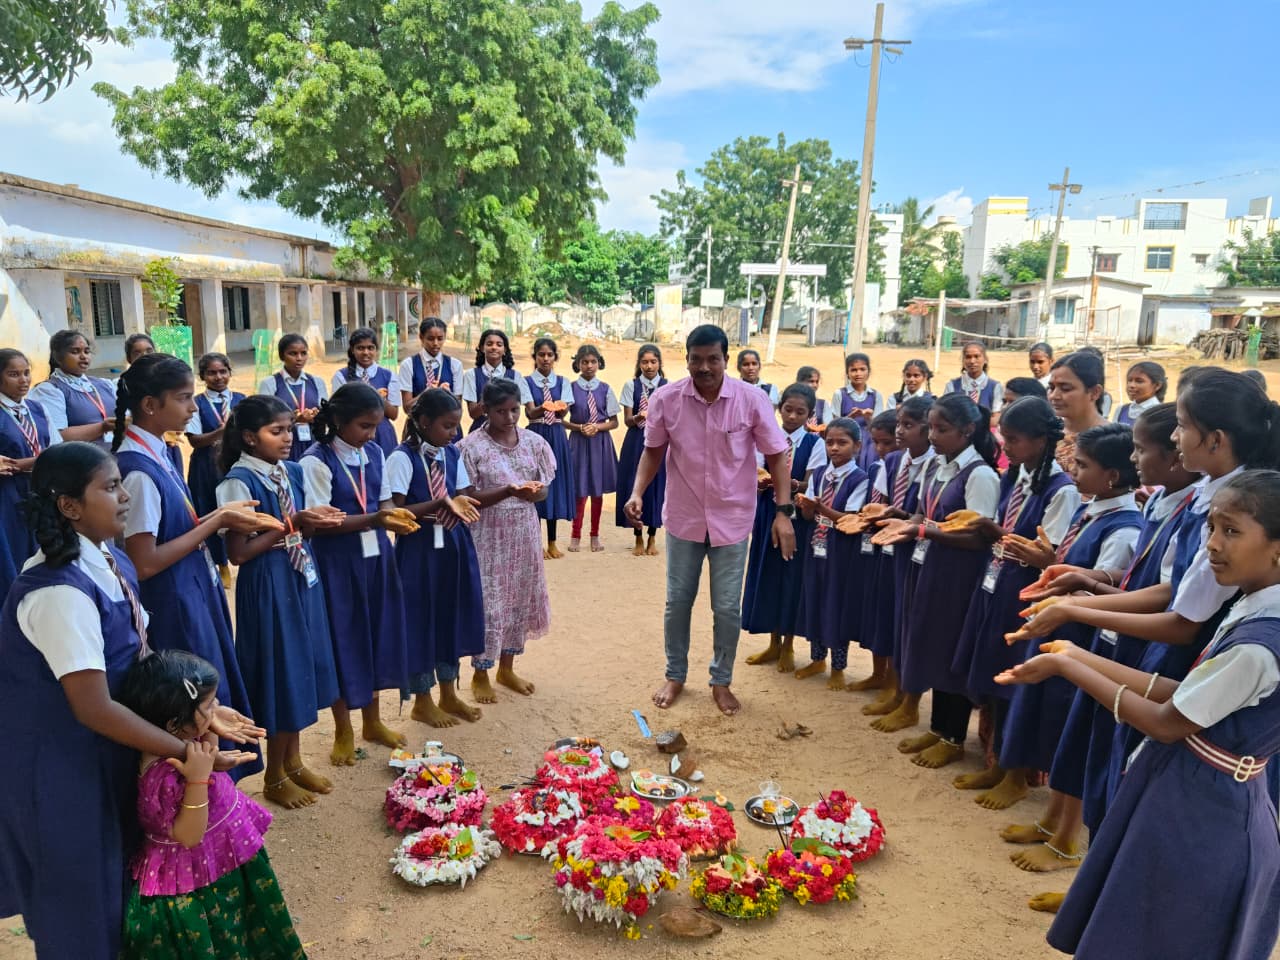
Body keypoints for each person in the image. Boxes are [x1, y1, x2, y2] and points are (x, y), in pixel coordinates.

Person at [998, 471, 1280, 960]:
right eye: (1212, 527)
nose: (1212, 544)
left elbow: (1168, 720)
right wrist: (1079, 656)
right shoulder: (1253, 605)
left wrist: (1068, 665)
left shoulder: (1260, 646)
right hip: (1192, 791)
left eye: (1231, 531)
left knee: (1166, 933)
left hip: (1205, 812)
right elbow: (1190, 694)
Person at [0, 442, 258, 960]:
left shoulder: (107, 558)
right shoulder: (57, 592)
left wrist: (198, 710)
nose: (123, 497)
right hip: (62, 769)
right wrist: (188, 756)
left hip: (106, 752)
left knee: (122, 891)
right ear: (69, 506)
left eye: (120, 483)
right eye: (110, 487)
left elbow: (134, 660)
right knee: (81, 908)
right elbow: (93, 706)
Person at [114, 353, 278, 778]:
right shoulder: (137, 472)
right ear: (151, 405)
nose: (192, 408)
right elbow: (144, 561)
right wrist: (218, 522)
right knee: (191, 706)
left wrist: (216, 519)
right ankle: (198, 803)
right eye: (185, 398)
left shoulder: (160, 453)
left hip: (192, 589)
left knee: (210, 695)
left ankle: (217, 802)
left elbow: (172, 530)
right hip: (172, 602)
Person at [626, 325, 794, 717]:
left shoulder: (752, 401)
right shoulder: (666, 400)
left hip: (733, 521)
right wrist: (636, 492)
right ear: (686, 359)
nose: (704, 367)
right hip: (684, 519)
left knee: (727, 608)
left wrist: (783, 513)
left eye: (712, 359)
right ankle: (675, 674)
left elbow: (776, 456)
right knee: (677, 603)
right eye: (696, 359)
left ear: (725, 360)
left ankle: (721, 680)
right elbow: (653, 452)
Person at [999, 424, 1143, 875]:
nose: (1073, 471)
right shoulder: (1095, 511)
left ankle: (1067, 839)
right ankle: (1049, 822)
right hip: (1062, 630)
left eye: (1083, 465)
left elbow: (1110, 593)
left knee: (1075, 734)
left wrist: (1070, 589)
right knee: (1061, 734)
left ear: (1112, 476)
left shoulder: (1124, 528)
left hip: (1086, 642)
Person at [117, 650, 307, 960]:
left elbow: (209, 753)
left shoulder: (183, 743)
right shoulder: (164, 775)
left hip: (221, 862)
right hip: (197, 883)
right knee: (225, 941)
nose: (216, 709)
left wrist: (208, 726)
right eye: (209, 706)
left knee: (246, 932)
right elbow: (190, 835)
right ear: (175, 724)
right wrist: (197, 780)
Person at [948, 397, 1077, 807]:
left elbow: (1050, 557)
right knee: (991, 672)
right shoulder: (1016, 478)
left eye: (1016, 441)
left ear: (1042, 440)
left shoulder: (1061, 491)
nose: (1007, 449)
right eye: (1006, 439)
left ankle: (1017, 774)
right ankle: (998, 764)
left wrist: (990, 529)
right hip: (996, 586)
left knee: (1015, 682)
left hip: (1025, 595)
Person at [217, 396, 343, 808]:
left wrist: (312, 521)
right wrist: (294, 524)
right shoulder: (239, 481)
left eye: (290, 428)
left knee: (302, 667)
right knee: (279, 673)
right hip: (267, 583)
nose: (287, 438)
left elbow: (299, 526)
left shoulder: (288, 471)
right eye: (277, 431)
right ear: (250, 437)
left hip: (300, 574)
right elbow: (239, 553)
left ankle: (294, 761)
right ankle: (273, 775)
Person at [872, 394, 1002, 767]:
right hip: (926, 564)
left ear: (968, 430)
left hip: (958, 574)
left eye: (942, 430)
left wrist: (923, 532)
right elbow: (921, 513)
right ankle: (936, 727)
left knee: (950, 650)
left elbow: (979, 536)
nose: (932, 436)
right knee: (928, 641)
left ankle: (953, 736)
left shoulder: (979, 475)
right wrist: (898, 517)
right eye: (930, 427)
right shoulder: (936, 466)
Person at [301, 383, 415, 765]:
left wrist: (394, 517)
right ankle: (343, 729)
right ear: (338, 421)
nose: (371, 434)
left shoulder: (376, 453)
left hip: (376, 556)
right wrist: (377, 518)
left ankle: (373, 720)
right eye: (365, 426)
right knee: (344, 638)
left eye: (376, 426)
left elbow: (382, 500)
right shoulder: (316, 461)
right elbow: (321, 522)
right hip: (337, 561)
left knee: (375, 633)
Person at [388, 389, 484, 727]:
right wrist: (440, 504)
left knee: (450, 617)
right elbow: (394, 510)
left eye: (456, 426)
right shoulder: (402, 458)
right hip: (418, 550)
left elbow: (461, 494)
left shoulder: (451, 454)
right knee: (419, 621)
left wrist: (463, 501)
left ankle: (449, 692)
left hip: (454, 545)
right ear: (424, 422)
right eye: (447, 426)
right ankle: (422, 700)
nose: (454, 433)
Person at [458, 378, 555, 702]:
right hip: (488, 537)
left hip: (524, 536)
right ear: (485, 410)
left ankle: (507, 667)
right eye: (501, 412)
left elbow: (544, 489)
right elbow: (468, 496)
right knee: (489, 603)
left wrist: (537, 492)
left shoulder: (534, 443)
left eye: (515, 410)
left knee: (518, 599)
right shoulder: (471, 447)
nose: (510, 417)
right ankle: (481, 671)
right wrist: (509, 490)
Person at [743, 383, 827, 670]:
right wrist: (761, 479)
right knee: (768, 576)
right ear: (779, 410)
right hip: (768, 513)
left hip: (797, 517)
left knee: (792, 578)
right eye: (788, 410)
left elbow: (811, 482)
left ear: (810, 415)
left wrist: (789, 483)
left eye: (800, 412)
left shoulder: (815, 444)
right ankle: (773, 643)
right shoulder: (767, 438)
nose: (792, 416)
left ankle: (789, 645)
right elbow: (754, 471)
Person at [861, 396, 935, 719]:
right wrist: (878, 516)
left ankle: (908, 699)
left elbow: (926, 514)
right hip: (888, 547)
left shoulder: (935, 465)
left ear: (928, 429)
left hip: (918, 552)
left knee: (911, 625)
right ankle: (891, 684)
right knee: (887, 614)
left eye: (907, 425)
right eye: (899, 425)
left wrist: (902, 516)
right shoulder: (894, 461)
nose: (900, 432)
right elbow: (879, 501)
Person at [794, 417, 869, 688]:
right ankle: (817, 659)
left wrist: (818, 507)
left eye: (842, 443)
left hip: (841, 551)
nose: (834, 448)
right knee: (813, 599)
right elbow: (808, 513)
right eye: (830, 442)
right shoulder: (821, 474)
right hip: (817, 545)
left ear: (857, 446)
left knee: (836, 605)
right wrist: (804, 505)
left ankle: (839, 666)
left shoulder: (860, 478)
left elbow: (848, 517)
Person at [848, 410, 901, 692]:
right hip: (875, 547)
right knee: (876, 612)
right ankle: (877, 672)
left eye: (888, 442)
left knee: (892, 616)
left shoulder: (899, 468)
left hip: (896, 547)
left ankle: (893, 681)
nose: (881, 449)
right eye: (876, 443)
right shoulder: (876, 468)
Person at [185, 352, 243, 586]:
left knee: (238, 508)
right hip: (206, 466)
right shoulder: (196, 404)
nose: (218, 377)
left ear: (229, 373)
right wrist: (224, 430)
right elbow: (196, 440)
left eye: (223, 371)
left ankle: (239, 552)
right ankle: (220, 564)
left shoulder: (241, 400)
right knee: (209, 510)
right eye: (212, 372)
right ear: (203, 376)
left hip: (234, 463)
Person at [0, 349, 55, 598]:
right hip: (8, 496)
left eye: (26, 373)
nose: (23, 380)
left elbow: (54, 447)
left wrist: (32, 463)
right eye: (13, 374)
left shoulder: (36, 409)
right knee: (13, 553)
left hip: (39, 490)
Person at [524, 338, 576, 559]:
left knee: (553, 485)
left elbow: (564, 412)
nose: (545, 359)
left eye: (549, 355)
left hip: (555, 434)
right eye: (541, 355)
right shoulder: (525, 381)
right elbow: (529, 413)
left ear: (555, 357)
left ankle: (553, 543)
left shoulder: (563, 382)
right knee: (535, 485)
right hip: (535, 434)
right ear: (535, 357)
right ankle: (536, 543)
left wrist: (560, 408)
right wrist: (543, 407)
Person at [565, 344, 619, 553]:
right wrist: (579, 427)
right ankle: (575, 534)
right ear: (577, 364)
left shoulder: (605, 389)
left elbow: (614, 422)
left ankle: (594, 535)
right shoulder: (569, 388)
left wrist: (597, 426)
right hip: (578, 441)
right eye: (584, 362)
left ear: (599, 363)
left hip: (600, 443)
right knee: (580, 489)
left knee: (597, 490)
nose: (589, 366)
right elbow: (560, 420)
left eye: (593, 361)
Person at [616, 344, 667, 556]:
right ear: (639, 364)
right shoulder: (632, 385)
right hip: (636, 440)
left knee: (657, 486)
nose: (649, 366)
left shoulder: (666, 387)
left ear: (659, 363)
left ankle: (652, 537)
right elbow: (627, 420)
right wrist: (638, 417)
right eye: (644, 362)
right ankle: (637, 537)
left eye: (653, 362)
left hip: (660, 441)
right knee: (634, 484)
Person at [30, 329, 117, 450]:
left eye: (87, 351)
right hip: (81, 463)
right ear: (58, 357)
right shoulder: (49, 390)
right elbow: (57, 436)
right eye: (75, 352)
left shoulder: (104, 384)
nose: (83, 356)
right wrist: (102, 428)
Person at [118, 333, 185, 475]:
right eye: (137, 353)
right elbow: (120, 419)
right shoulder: (121, 385)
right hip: (141, 445)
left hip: (168, 446)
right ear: (129, 358)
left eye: (149, 351)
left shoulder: (166, 383)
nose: (144, 355)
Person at [331, 326, 399, 457]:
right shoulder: (341, 376)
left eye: (370, 348)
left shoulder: (388, 376)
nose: (366, 352)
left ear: (376, 350)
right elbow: (337, 411)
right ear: (352, 350)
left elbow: (394, 414)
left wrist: (379, 399)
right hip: (353, 434)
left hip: (382, 434)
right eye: (360, 348)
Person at [258, 333, 327, 463]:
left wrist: (316, 416)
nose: (299, 358)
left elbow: (326, 414)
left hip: (313, 442)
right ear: (282, 356)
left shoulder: (317, 382)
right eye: (293, 353)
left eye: (303, 353)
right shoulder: (270, 383)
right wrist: (294, 419)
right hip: (282, 446)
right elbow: (264, 419)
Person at [1048, 351, 1108, 473]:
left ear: (1094, 392)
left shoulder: (1112, 441)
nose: (1054, 396)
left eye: (1065, 388)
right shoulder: (1046, 434)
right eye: (1052, 388)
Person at [462, 328, 531, 434]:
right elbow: (473, 413)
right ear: (482, 348)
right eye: (489, 344)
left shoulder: (515, 376)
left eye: (499, 345)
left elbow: (519, 408)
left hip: (507, 432)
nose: (494, 347)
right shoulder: (471, 375)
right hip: (480, 432)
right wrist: (490, 397)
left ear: (505, 350)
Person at [396, 317, 463, 422]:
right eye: (430, 338)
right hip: (419, 426)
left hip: (448, 426)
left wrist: (448, 395)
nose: (436, 343)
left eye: (440, 338)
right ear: (421, 337)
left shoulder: (455, 365)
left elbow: (458, 406)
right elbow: (407, 408)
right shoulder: (409, 365)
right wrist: (426, 393)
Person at [834, 351, 885, 473]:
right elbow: (835, 424)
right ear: (847, 373)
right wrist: (849, 418)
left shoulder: (876, 395)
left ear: (868, 372)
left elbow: (879, 426)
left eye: (862, 369)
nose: (858, 374)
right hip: (847, 439)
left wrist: (868, 418)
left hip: (869, 442)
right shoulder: (840, 394)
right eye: (853, 370)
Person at [943, 340, 1004, 415]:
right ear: (963, 360)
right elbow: (946, 413)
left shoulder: (995, 387)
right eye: (968, 357)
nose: (972, 361)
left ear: (985, 359)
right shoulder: (952, 386)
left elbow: (996, 417)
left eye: (977, 356)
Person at [1114, 361, 1166, 426]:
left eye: (1139, 381)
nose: (1131, 385)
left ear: (1157, 385)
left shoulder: (1161, 414)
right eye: (1129, 380)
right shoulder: (1121, 410)